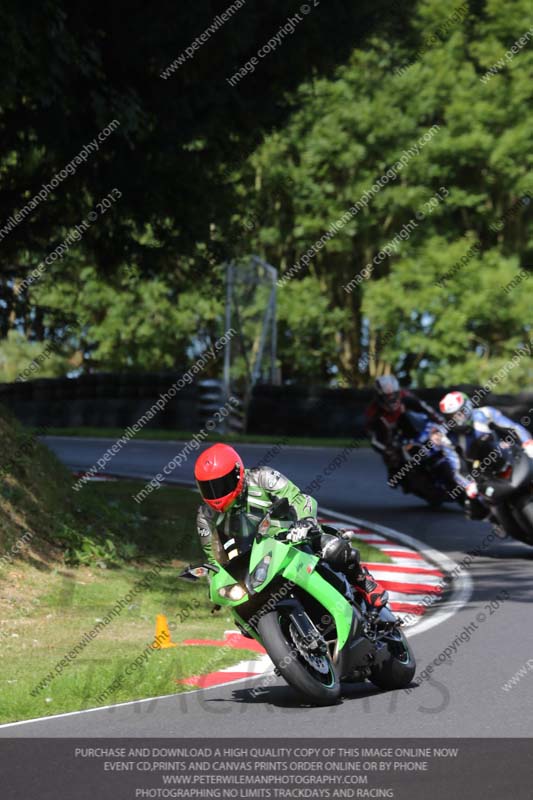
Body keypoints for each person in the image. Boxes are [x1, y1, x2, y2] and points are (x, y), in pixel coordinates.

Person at [194, 443, 388, 608]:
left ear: (237, 473)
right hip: (251, 560)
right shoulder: (205, 516)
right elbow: (213, 558)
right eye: (208, 488)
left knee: (332, 548)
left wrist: (305, 521)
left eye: (220, 485)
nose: (215, 494)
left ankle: (362, 581)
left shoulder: (263, 477)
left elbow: (300, 499)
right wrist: (216, 581)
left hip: (292, 539)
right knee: (240, 610)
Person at [366, 375, 467, 492]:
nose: (391, 399)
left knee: (444, 437)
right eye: (387, 397)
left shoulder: (406, 397)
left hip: (414, 429)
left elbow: (427, 409)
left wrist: (443, 423)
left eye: (393, 395)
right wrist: (386, 450)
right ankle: (399, 476)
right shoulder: (373, 412)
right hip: (391, 438)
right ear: (379, 397)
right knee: (393, 461)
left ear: (398, 392)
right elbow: (373, 439)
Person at [438, 391, 533, 515]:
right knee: (474, 507)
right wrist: (468, 485)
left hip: (506, 454)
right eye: (452, 416)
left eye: (459, 413)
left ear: (467, 407)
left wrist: (527, 442)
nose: (457, 418)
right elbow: (456, 468)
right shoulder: (448, 438)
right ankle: (497, 518)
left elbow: (514, 428)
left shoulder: (485, 413)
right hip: (481, 472)